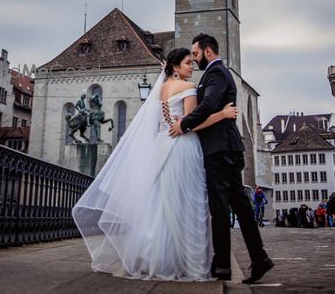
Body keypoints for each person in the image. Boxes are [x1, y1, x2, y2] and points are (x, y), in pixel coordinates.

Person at [72, 47, 237, 281]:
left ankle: (155, 257)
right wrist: (222, 114)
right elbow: (192, 123)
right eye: (188, 63)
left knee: (160, 203)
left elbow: (166, 122)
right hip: (182, 147)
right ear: (176, 67)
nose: (192, 67)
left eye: (192, 62)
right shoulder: (188, 87)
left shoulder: (160, 89)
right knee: (184, 203)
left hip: (161, 144)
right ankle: (182, 260)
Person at [169, 33, 274, 284]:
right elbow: (213, 108)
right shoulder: (216, 73)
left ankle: (224, 265)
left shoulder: (216, 73)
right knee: (240, 205)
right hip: (225, 148)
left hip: (221, 149)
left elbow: (207, 106)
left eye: (195, 54)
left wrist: (183, 125)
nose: (194, 60)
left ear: (207, 51)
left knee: (220, 207)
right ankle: (258, 258)